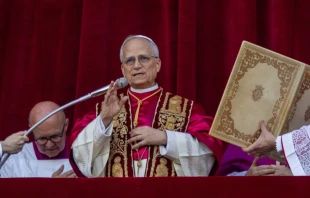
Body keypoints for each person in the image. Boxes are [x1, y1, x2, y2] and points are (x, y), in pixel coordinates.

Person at [69, 35, 224, 177]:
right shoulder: (105, 110)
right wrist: (105, 120)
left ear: (157, 64)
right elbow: (79, 155)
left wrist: (166, 138)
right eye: (130, 60)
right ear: (123, 70)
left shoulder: (187, 109)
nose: (136, 66)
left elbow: (208, 153)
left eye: (143, 58)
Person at [0, 101, 76, 178]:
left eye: (54, 136)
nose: (49, 145)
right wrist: (51, 187)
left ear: (66, 125)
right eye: (42, 138)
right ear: (32, 130)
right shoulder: (14, 158)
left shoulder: (83, 154)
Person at [218, 144, 291, 176]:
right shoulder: (241, 144)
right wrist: (246, 175)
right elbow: (220, 183)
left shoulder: (300, 140)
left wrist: (297, 174)